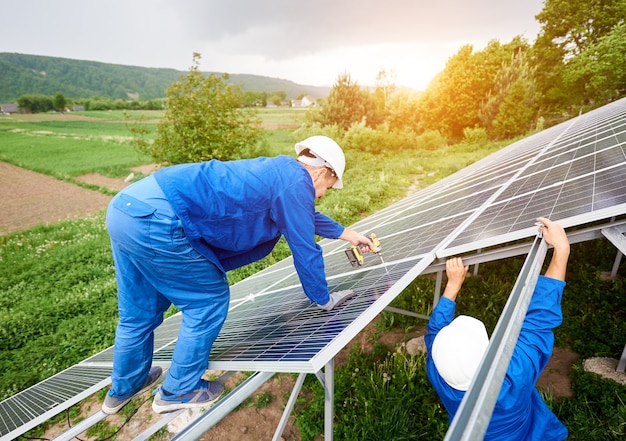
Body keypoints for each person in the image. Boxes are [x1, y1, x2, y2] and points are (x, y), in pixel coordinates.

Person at [101, 135, 373, 414]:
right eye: (327, 187)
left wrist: (349, 235)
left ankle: (125, 386)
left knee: (138, 313)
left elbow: (301, 216)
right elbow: (305, 248)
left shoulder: (280, 172)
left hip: (126, 208)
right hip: (159, 218)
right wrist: (323, 298)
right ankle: (178, 391)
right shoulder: (295, 183)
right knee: (207, 300)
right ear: (322, 172)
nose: (322, 195)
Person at [425, 217, 570, 441]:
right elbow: (539, 320)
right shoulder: (514, 375)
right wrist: (561, 248)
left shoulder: (439, 372)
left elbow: (435, 333)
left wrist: (452, 286)